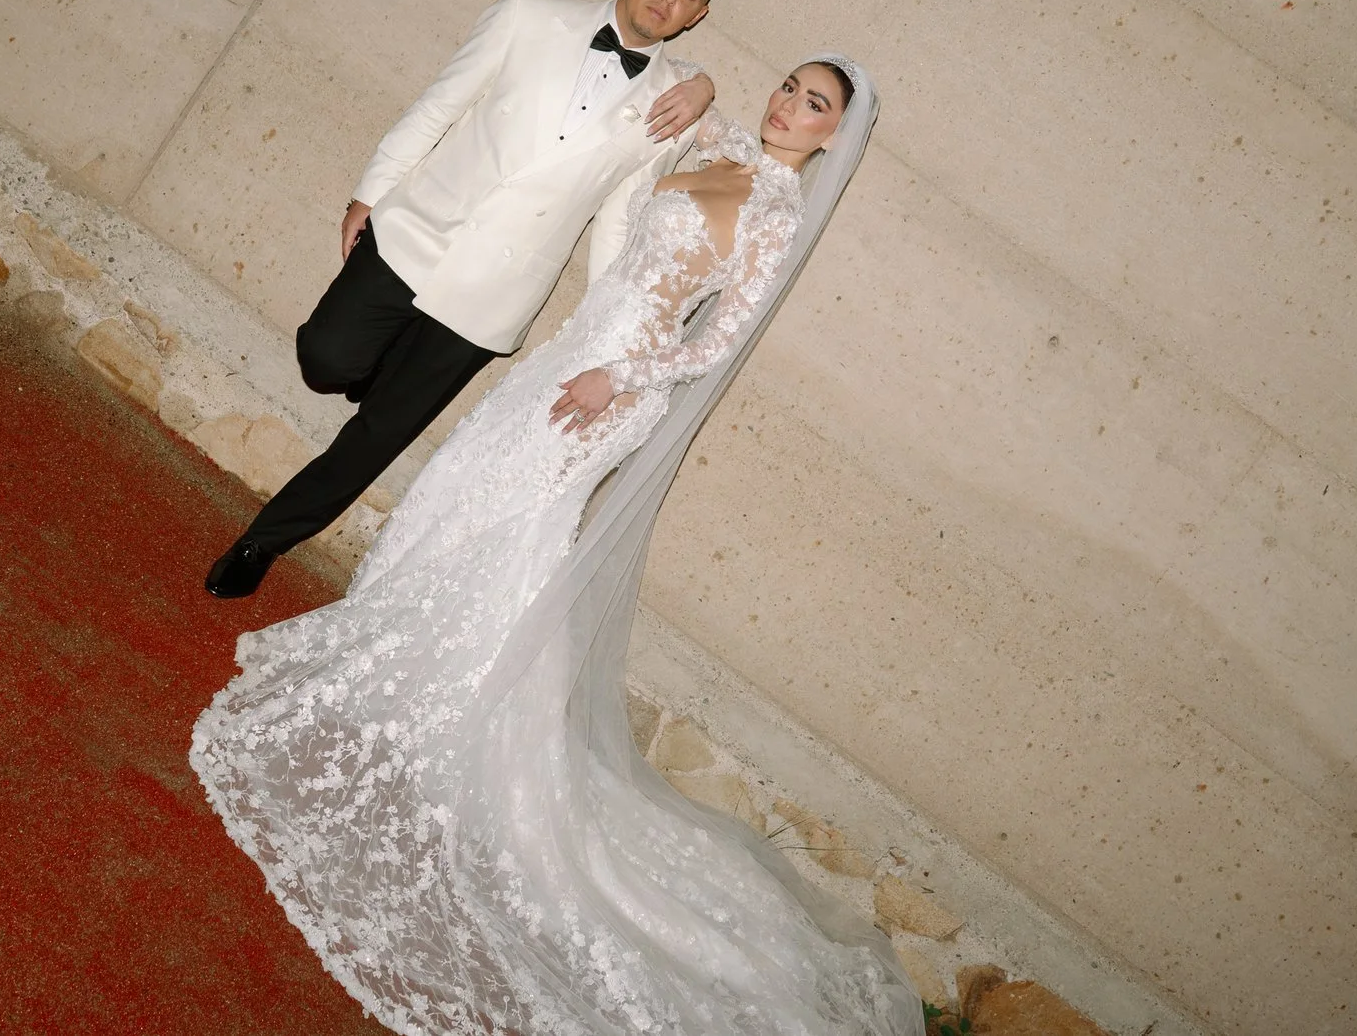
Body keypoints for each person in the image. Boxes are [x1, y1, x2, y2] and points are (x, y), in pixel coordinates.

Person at [191, 57, 919, 1035]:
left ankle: (475, 733)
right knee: (464, 496)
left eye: (814, 105)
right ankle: (415, 676)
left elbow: (714, 337)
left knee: (513, 527)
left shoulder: (777, 211)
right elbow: (649, 203)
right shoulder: (728, 153)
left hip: (609, 383)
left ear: (833, 135)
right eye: (789, 86)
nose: (789, 105)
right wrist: (702, 90)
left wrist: (618, 378)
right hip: (570, 353)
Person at [203, 0, 727, 599]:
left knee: (378, 436)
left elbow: (619, 218)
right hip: (414, 232)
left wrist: (607, 335)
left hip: (494, 294)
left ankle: (260, 542)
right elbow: (438, 106)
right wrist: (370, 191)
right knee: (325, 360)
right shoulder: (526, 13)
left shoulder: (674, 105)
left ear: (699, 15)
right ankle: (375, 367)